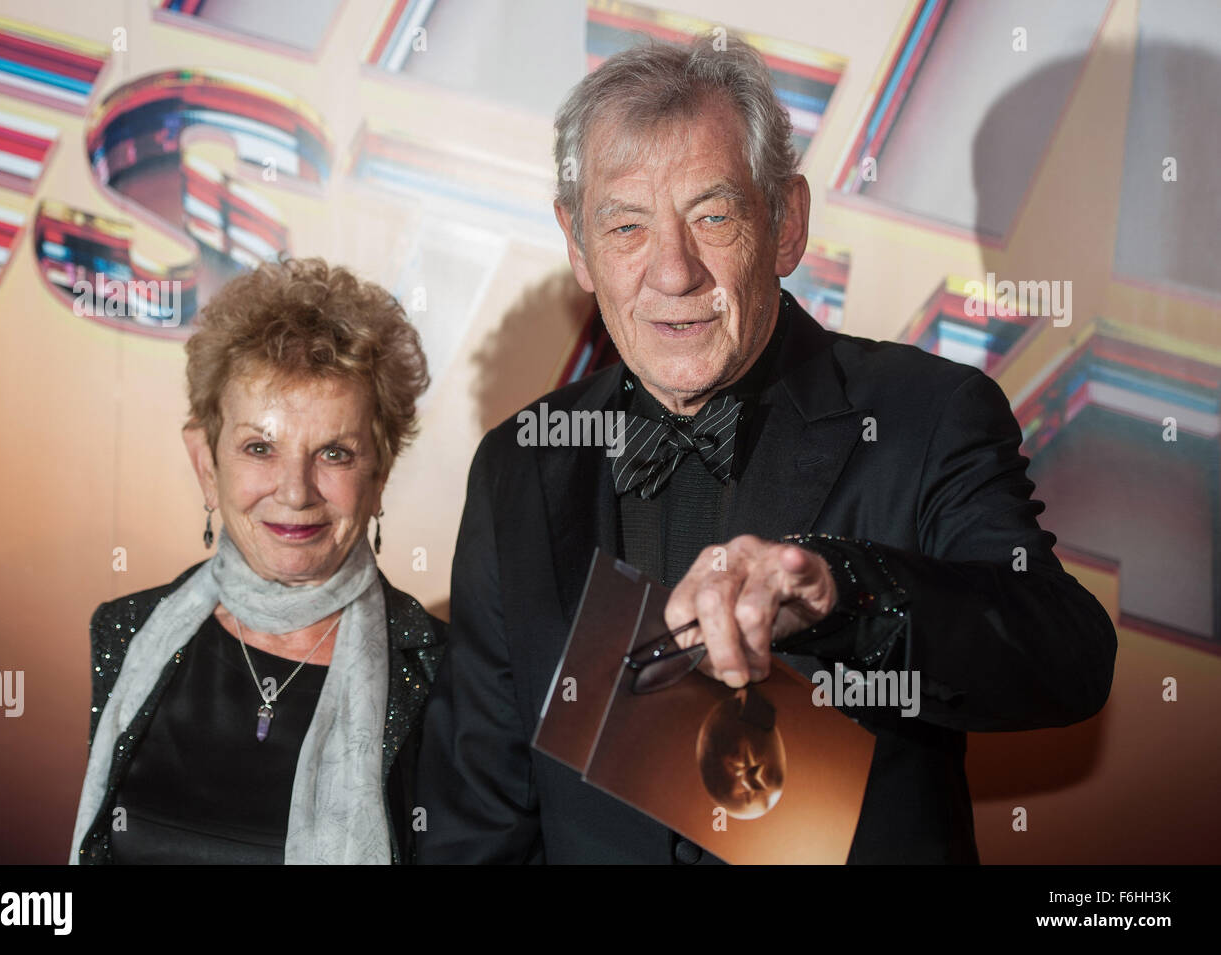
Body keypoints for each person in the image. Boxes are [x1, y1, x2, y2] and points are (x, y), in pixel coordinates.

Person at [416, 36, 1117, 864]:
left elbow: (1064, 654)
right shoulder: (520, 466)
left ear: (786, 223)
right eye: (627, 225)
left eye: (712, 216)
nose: (672, 272)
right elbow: (479, 825)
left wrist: (841, 591)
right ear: (578, 244)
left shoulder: (926, 415)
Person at [72, 257, 443, 864]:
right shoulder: (127, 632)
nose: (295, 492)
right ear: (206, 464)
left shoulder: (441, 675)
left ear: (379, 476)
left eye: (334, 453)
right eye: (259, 447)